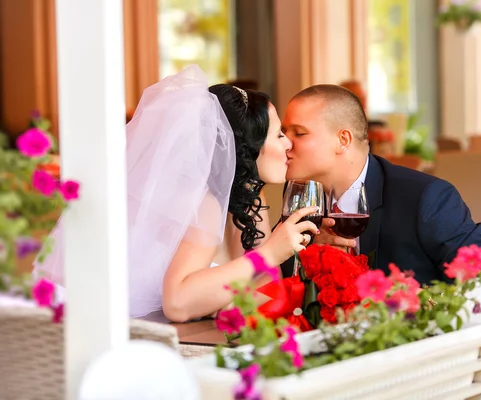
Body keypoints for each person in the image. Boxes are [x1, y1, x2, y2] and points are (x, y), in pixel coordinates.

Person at [34, 65, 319, 321]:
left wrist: (233, 294)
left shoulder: (248, 199)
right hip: (89, 326)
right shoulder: (204, 203)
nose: (288, 145)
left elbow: (263, 289)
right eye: (279, 134)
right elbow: (178, 303)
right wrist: (270, 253)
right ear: (249, 147)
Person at [280, 84, 481, 285]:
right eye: (283, 133)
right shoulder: (301, 199)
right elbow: (273, 277)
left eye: (299, 133)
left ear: (343, 140)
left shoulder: (424, 198)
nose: (285, 144)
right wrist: (308, 255)